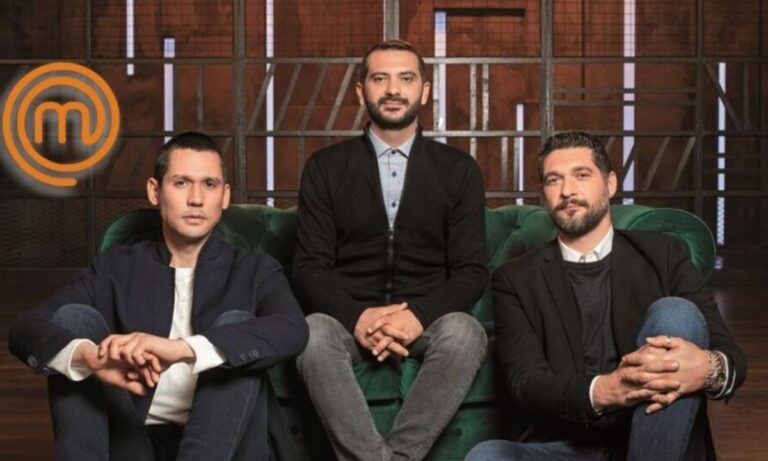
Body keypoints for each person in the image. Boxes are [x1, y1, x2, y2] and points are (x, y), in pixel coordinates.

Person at [8, 132, 309, 460]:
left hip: (226, 444)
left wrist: (182, 349)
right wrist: (87, 358)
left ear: (224, 196)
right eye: (181, 183)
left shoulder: (255, 269)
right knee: (73, 319)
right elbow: (26, 328)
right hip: (133, 441)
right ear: (155, 191)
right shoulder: (116, 266)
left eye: (209, 185)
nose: (196, 199)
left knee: (236, 324)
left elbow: (293, 329)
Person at [467, 131, 747, 461]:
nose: (567, 191)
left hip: (657, 438)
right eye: (554, 180)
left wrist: (709, 368)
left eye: (582, 175)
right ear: (544, 194)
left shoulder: (664, 254)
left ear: (610, 184)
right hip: (569, 446)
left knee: (676, 314)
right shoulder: (515, 279)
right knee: (486, 456)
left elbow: (731, 355)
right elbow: (526, 384)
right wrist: (606, 389)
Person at [293, 39, 489, 461]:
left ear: (425, 91)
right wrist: (358, 317)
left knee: (465, 332)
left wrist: (415, 316)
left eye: (406, 78)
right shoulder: (325, 168)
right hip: (347, 320)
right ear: (360, 91)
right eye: (380, 79)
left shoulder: (459, 170)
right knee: (312, 333)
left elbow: (472, 271)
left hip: (426, 320)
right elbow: (310, 267)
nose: (394, 89)